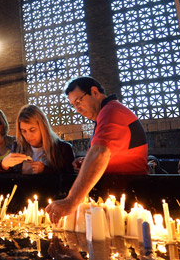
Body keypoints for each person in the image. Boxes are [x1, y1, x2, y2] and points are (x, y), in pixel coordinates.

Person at [46, 76, 148, 223]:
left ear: (94, 92)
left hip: (129, 199)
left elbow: (100, 153)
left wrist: (71, 201)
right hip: (121, 195)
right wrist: (87, 161)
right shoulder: (107, 113)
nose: (77, 109)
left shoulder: (111, 111)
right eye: (73, 105)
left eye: (78, 101)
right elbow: (106, 153)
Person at [10, 104, 74, 173]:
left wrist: (45, 170)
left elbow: (69, 179)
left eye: (32, 130)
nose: (28, 135)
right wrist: (4, 166)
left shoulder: (63, 149)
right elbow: (7, 180)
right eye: (24, 131)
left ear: (43, 127)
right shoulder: (17, 147)